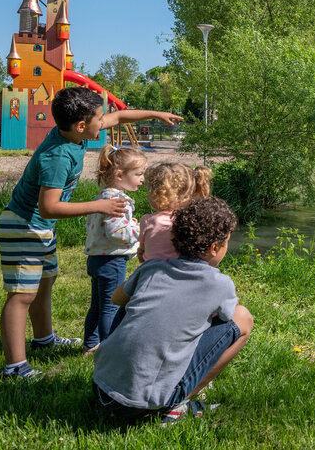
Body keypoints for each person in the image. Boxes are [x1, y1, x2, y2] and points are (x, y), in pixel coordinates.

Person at [0, 86, 182, 380]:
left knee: (45, 282)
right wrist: (99, 205)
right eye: (99, 118)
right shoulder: (57, 157)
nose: (104, 122)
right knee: (21, 295)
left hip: (39, 227)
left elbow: (120, 115)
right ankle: (15, 367)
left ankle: (43, 338)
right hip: (24, 224)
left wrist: (156, 114)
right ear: (82, 126)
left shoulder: (76, 132)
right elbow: (48, 207)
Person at [92, 197, 253, 425]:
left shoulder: (152, 268)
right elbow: (229, 318)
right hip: (141, 406)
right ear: (214, 247)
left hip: (101, 389)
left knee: (130, 300)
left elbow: (116, 298)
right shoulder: (220, 283)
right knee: (243, 318)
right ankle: (179, 401)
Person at [82, 145, 147, 355]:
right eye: (138, 174)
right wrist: (137, 229)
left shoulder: (101, 197)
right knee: (110, 306)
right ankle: (108, 350)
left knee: (97, 305)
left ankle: (91, 344)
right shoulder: (120, 202)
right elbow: (117, 234)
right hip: (112, 261)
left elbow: (106, 228)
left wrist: (128, 225)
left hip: (96, 258)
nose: (142, 179)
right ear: (120, 175)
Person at [136, 162, 193, 263]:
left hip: (151, 271)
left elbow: (142, 251)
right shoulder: (188, 221)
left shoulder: (147, 220)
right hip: (178, 271)